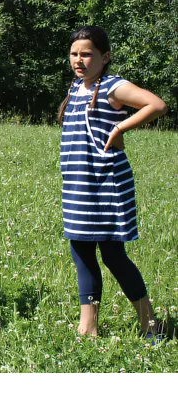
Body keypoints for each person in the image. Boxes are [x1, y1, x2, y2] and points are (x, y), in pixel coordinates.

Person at [58, 26, 168, 342]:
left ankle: (150, 324)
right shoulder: (76, 87)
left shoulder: (112, 87)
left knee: (113, 255)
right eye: (74, 54)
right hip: (79, 185)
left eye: (87, 54)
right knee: (81, 251)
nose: (79, 60)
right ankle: (88, 327)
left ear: (104, 57)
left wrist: (120, 127)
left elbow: (156, 105)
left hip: (105, 185)